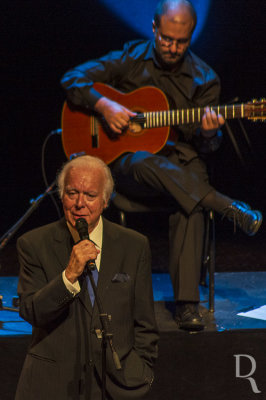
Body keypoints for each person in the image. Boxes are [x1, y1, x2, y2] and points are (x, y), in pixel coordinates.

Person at [60, 0, 263, 331]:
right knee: (144, 160)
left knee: (190, 192)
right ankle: (226, 206)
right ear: (155, 29)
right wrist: (106, 104)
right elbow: (72, 78)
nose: (173, 47)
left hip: (181, 163)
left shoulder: (205, 78)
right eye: (167, 39)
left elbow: (206, 147)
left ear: (191, 35)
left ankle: (187, 305)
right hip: (131, 168)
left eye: (181, 41)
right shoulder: (131, 57)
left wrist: (210, 134)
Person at [15, 155, 159, 400]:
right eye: (72, 193)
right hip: (52, 384)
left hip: (116, 384)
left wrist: (142, 370)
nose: (79, 203)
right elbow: (31, 311)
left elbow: (144, 323)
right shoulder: (34, 244)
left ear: (104, 201)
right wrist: (69, 276)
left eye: (90, 195)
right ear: (62, 196)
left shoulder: (134, 245)